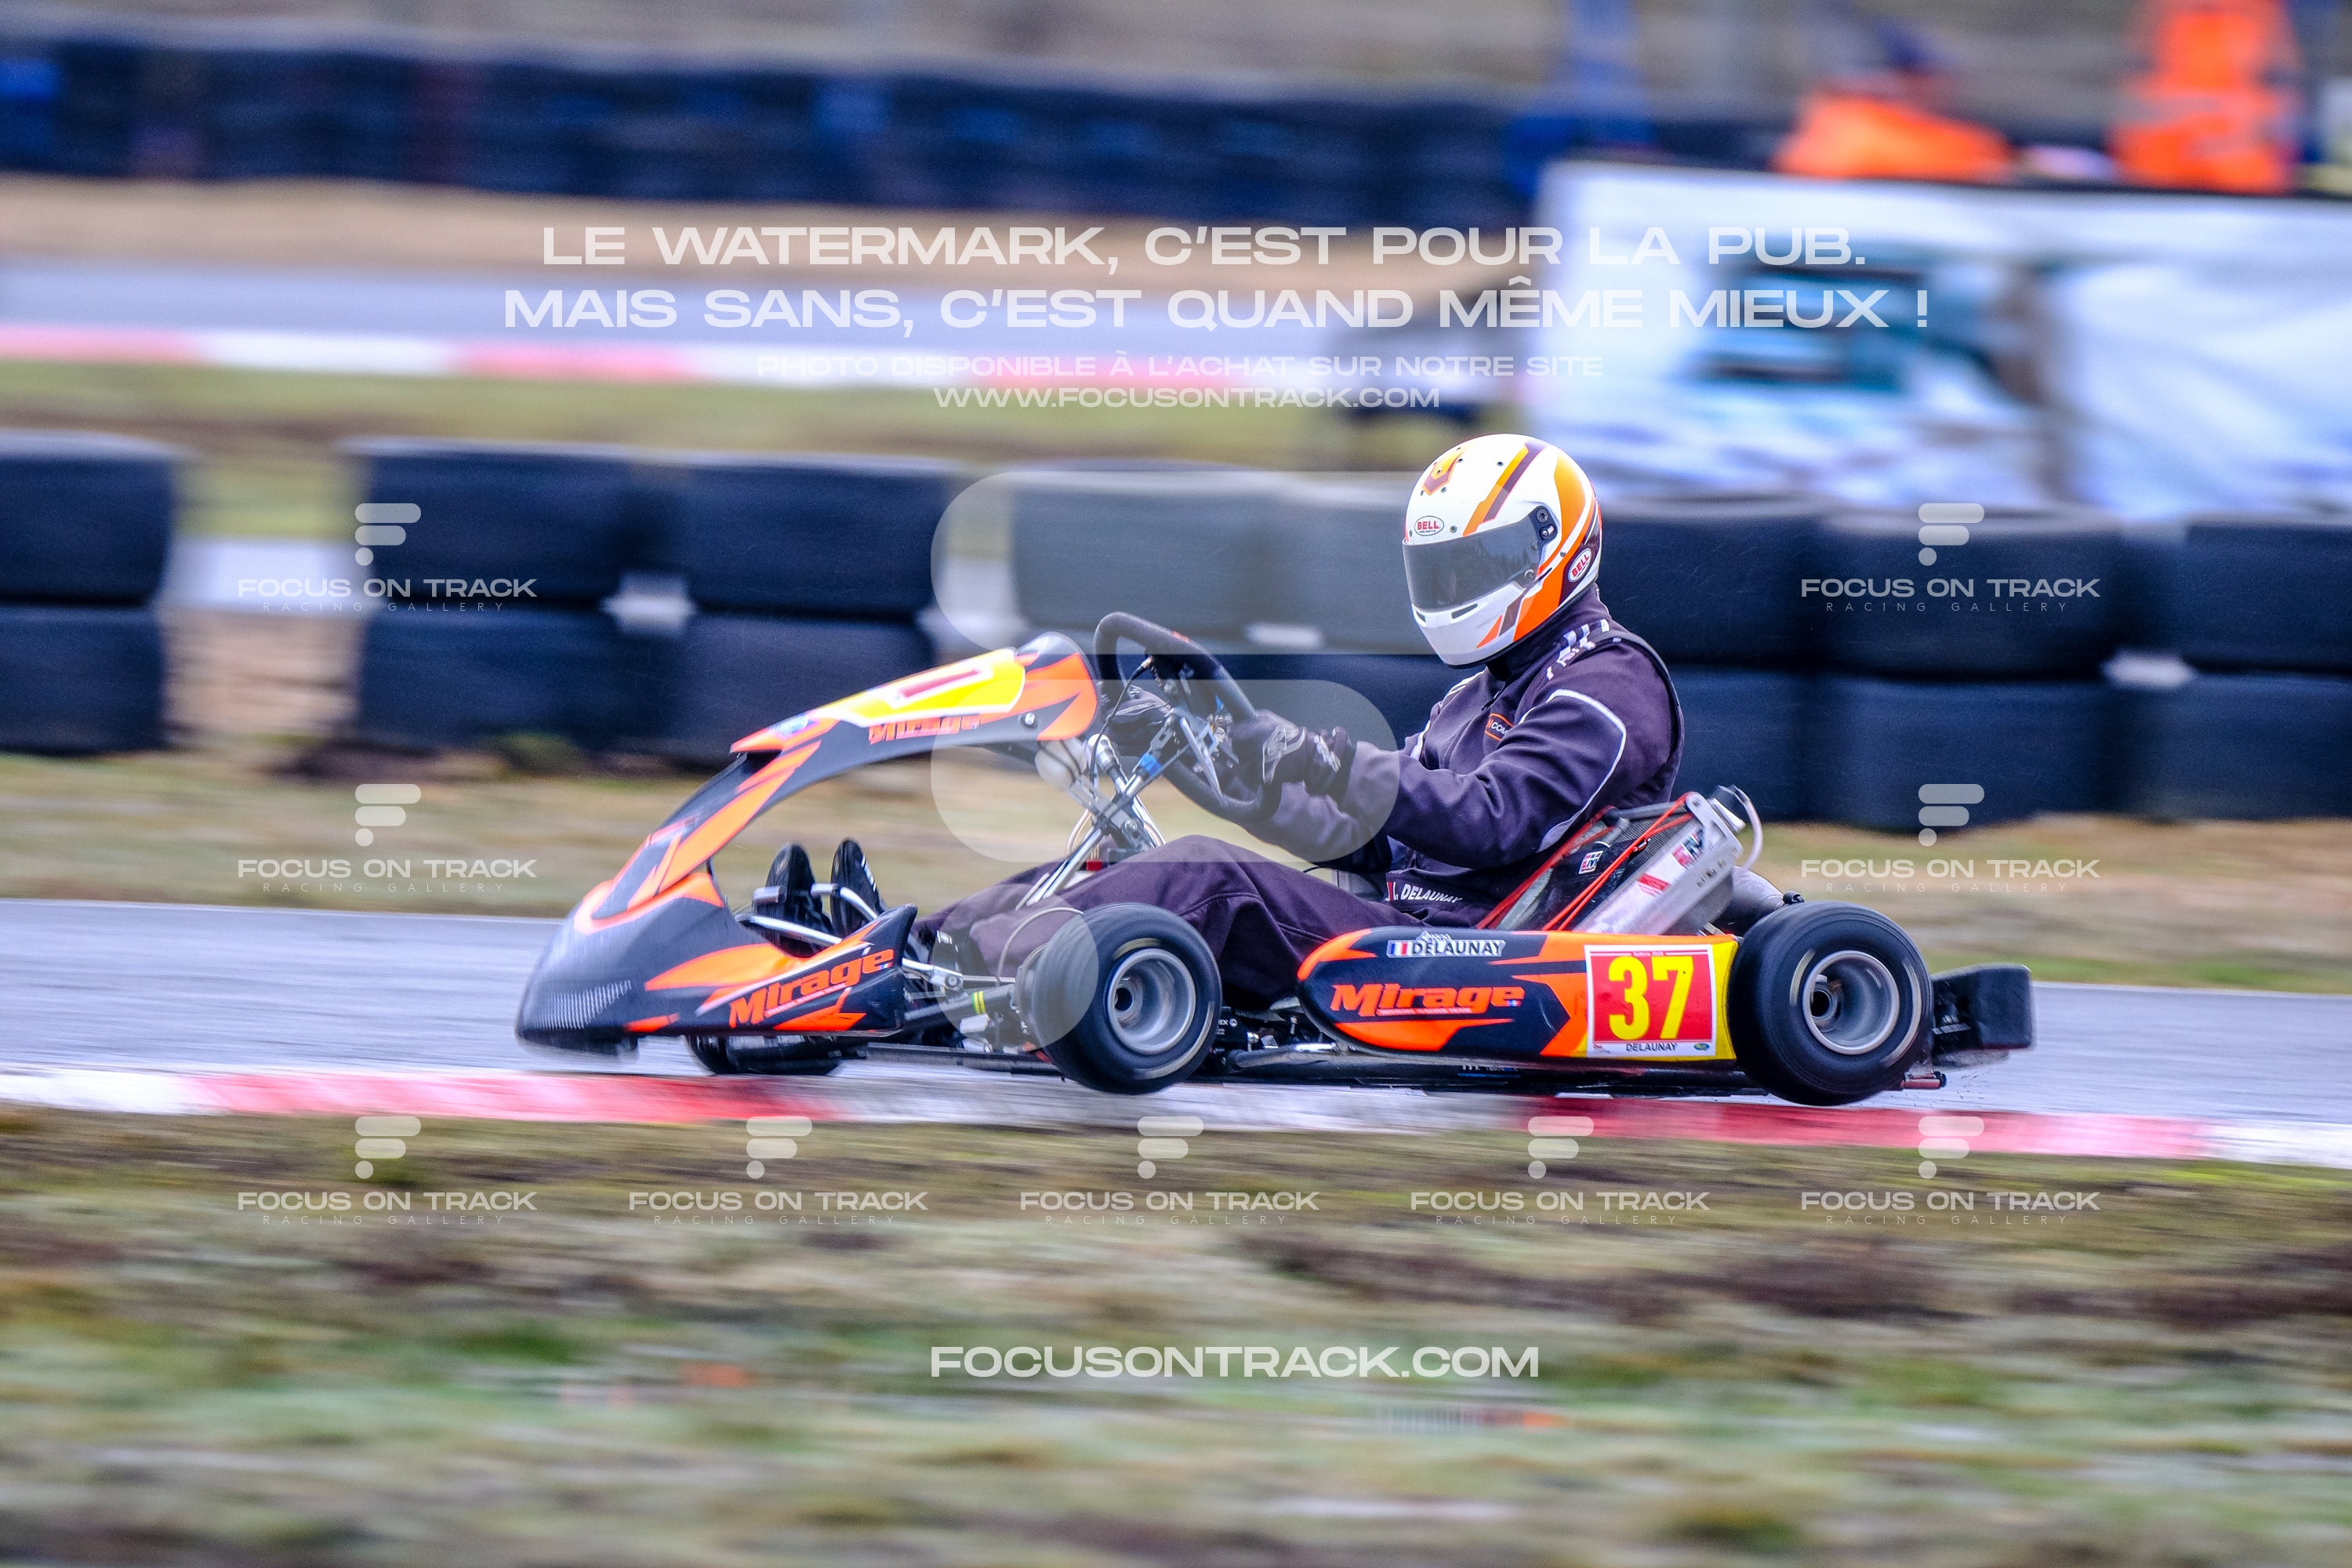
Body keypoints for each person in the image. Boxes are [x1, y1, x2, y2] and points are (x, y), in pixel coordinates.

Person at [789, 433, 1678, 1014]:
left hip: (1475, 960)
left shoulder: (1608, 683)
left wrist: (1321, 757)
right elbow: (1377, 842)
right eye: (1443, 572)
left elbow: (1493, 820)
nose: (1454, 591)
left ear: (1555, 546)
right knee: (1122, 865)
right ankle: (890, 943)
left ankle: (928, 984)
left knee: (1205, 877)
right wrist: (1236, 785)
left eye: (1474, 567)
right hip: (1402, 923)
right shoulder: (1479, 694)